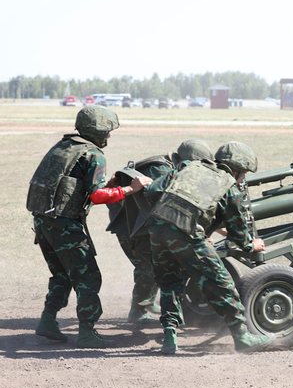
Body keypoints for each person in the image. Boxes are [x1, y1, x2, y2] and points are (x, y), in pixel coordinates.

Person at [27, 105, 152, 348]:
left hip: (43, 221)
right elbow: (96, 196)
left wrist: (109, 184)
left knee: (62, 274)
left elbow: (74, 186)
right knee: (88, 277)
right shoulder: (93, 154)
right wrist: (130, 189)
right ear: (97, 131)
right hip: (64, 225)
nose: (108, 136)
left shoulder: (64, 147)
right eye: (107, 131)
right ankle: (86, 331)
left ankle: (47, 320)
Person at [144, 141, 274, 354]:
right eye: (244, 174)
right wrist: (252, 245)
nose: (243, 178)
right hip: (187, 234)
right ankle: (242, 337)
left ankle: (170, 337)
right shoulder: (228, 185)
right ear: (236, 169)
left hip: (157, 229)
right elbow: (237, 230)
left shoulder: (189, 167)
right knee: (222, 283)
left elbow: (152, 191)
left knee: (169, 283)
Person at [109, 139, 214, 323]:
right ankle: (139, 311)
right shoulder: (161, 170)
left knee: (154, 263)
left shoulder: (172, 166)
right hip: (130, 226)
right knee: (148, 266)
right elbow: (170, 207)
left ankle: (144, 303)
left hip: (143, 223)